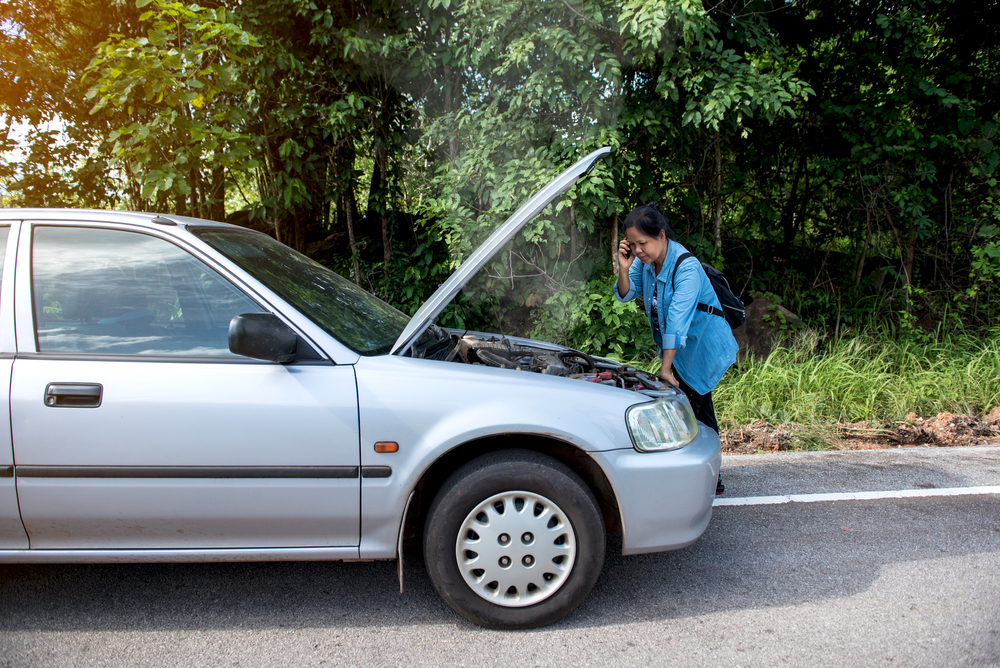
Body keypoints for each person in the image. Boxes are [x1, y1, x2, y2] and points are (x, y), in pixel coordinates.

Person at [614, 203, 738, 491]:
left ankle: (707, 478)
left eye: (643, 243)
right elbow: (626, 293)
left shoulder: (687, 268)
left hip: (701, 348)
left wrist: (665, 369)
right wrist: (624, 267)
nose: (639, 250)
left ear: (661, 235)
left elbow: (677, 322)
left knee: (694, 407)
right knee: (695, 409)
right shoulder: (645, 265)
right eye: (632, 244)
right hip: (678, 349)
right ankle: (705, 476)